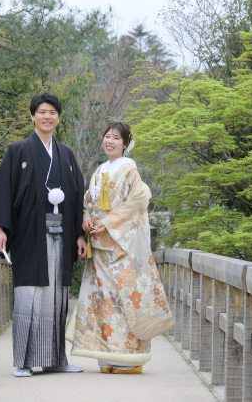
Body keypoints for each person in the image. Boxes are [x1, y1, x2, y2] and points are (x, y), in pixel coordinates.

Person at [0, 93, 87, 377]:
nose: (47, 116)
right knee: (29, 294)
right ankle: (24, 361)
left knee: (57, 295)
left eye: (53, 112)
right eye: (42, 111)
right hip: (30, 235)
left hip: (62, 235)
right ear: (33, 116)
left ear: (58, 117)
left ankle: (55, 360)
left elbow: (78, 196)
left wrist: (80, 235)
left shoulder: (65, 154)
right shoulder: (18, 151)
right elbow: (3, 191)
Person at [68, 121, 174, 374]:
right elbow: (87, 201)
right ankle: (106, 357)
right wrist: (86, 217)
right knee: (103, 303)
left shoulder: (129, 170)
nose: (110, 141)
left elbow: (140, 199)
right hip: (99, 248)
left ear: (125, 144)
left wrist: (108, 222)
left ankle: (130, 359)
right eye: (107, 136)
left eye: (116, 138)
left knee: (123, 301)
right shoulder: (99, 171)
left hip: (120, 249)